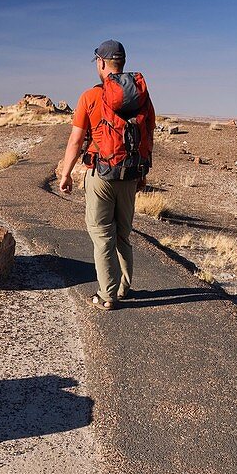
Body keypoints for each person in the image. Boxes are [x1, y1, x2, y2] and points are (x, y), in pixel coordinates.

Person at [58, 39, 156, 310]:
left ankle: (107, 295)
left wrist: (66, 174)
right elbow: (148, 135)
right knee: (123, 234)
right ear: (122, 63)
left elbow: (75, 141)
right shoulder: (142, 96)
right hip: (130, 175)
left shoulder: (90, 96)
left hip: (100, 175)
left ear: (101, 63)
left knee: (102, 235)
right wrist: (142, 172)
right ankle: (124, 288)